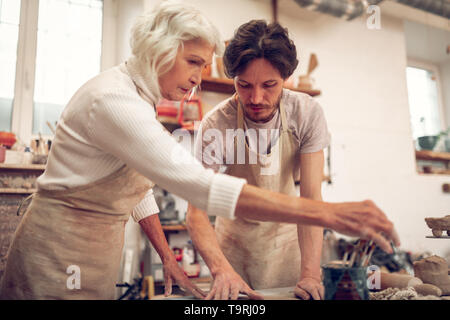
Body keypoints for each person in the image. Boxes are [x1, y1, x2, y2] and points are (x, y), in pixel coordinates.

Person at [0, 2, 398, 300]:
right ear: (160, 48)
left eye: (203, 65)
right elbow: (198, 188)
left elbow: (135, 191)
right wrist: (332, 213)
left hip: (100, 254)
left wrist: (167, 256)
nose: (196, 79)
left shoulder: (139, 100)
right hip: (55, 253)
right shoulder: (115, 102)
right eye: (192, 62)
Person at [186, 20, 395, 300]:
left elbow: (311, 198)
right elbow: (196, 211)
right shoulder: (216, 124)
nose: (256, 97)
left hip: (287, 245)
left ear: (286, 77)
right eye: (244, 85)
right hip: (232, 247)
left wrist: (309, 274)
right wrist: (221, 269)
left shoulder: (305, 113)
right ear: (232, 78)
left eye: (269, 85)